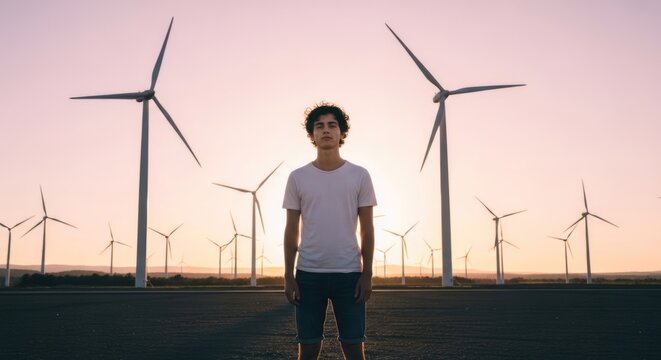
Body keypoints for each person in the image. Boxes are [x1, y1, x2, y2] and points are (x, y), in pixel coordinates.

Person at [283, 102, 377, 360]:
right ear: (312, 134)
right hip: (308, 275)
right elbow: (291, 230)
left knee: (354, 347)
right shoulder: (297, 177)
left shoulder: (359, 175)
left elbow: (367, 230)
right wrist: (288, 275)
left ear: (341, 133)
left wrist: (367, 273)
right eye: (319, 126)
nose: (326, 130)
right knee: (308, 348)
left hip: (350, 275)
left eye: (332, 125)